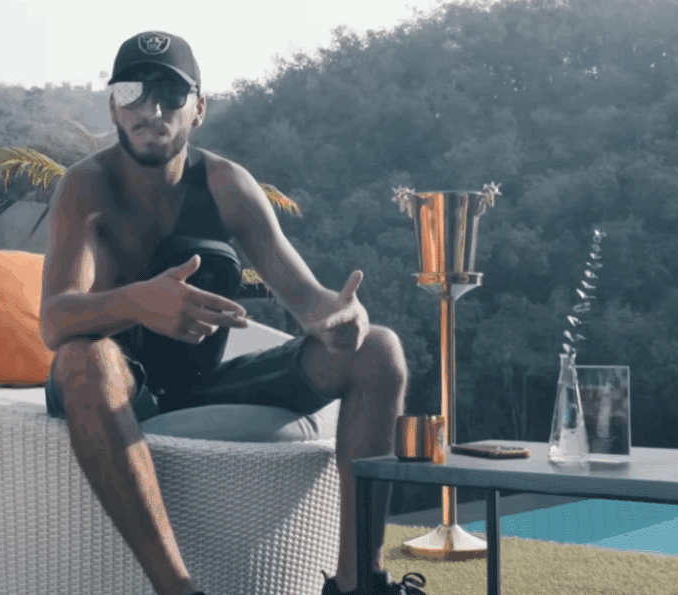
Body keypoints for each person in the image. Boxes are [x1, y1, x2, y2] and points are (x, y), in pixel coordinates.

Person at [40, 30, 426, 595]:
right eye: (131, 92)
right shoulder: (86, 187)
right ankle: (179, 589)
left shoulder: (226, 185)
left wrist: (339, 317)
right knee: (85, 360)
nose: (151, 110)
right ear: (112, 106)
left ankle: (358, 584)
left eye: (171, 95)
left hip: (200, 383)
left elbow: (307, 299)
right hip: (110, 385)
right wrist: (138, 303)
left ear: (198, 109)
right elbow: (55, 321)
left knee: (378, 350)